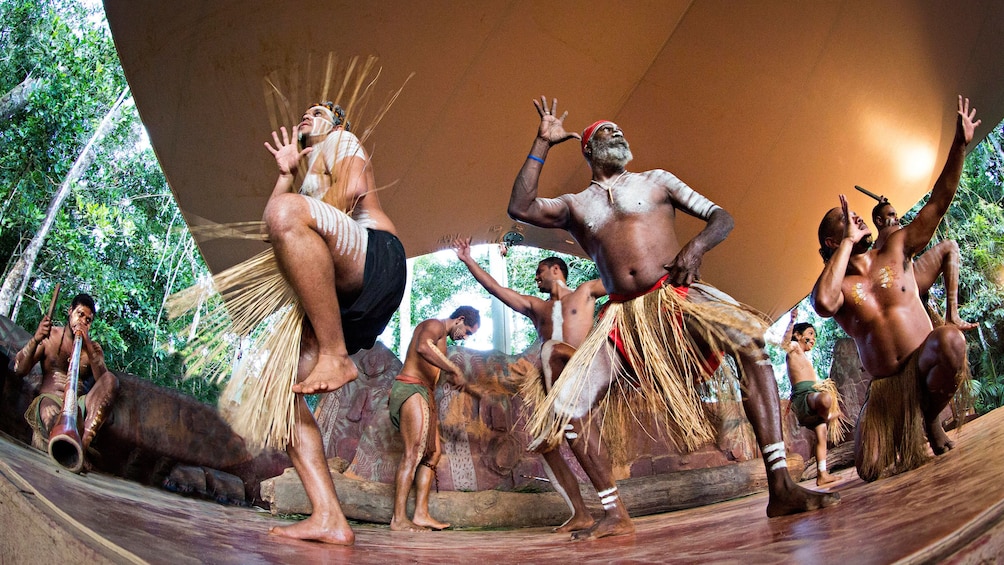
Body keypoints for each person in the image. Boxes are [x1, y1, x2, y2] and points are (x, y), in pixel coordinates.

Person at [507, 97, 837, 540]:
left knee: (749, 341)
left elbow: (722, 217)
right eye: (607, 131)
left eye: (620, 130)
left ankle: (780, 486)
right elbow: (521, 206)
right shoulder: (575, 205)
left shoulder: (658, 181)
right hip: (624, 317)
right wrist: (541, 143)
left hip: (677, 297)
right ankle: (613, 512)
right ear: (587, 148)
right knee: (567, 404)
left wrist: (696, 248)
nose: (619, 135)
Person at [811, 96, 978, 482]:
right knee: (868, 468)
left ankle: (929, 418)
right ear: (833, 243)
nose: (856, 216)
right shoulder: (837, 285)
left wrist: (959, 146)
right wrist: (849, 244)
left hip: (923, 361)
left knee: (951, 342)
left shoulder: (896, 247)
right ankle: (895, 416)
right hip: (887, 387)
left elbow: (938, 204)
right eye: (845, 219)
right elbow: (822, 302)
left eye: (855, 215)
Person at [263, 102, 407, 544]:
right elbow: (270, 227)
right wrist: (286, 174)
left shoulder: (342, 141)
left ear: (337, 122)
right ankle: (329, 517)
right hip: (344, 303)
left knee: (286, 213)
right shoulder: (304, 178)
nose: (308, 115)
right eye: (305, 111)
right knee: (280, 394)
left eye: (319, 110)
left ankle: (334, 354)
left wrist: (294, 204)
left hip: (375, 260)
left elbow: (349, 190)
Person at [454, 237, 605, 532]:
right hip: (553, 384)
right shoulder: (538, 308)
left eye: (540, 271)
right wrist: (469, 260)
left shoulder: (586, 292)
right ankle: (580, 512)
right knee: (547, 446)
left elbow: (622, 280)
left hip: (583, 374)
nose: (536, 277)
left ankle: (613, 508)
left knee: (584, 437)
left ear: (556, 270)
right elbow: (497, 290)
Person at [389, 306, 480, 532]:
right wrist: (453, 369)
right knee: (414, 452)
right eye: (467, 331)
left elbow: (435, 368)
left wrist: (461, 382)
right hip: (411, 388)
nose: (465, 337)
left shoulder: (444, 342)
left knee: (433, 452)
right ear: (459, 319)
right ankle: (398, 519)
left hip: (424, 393)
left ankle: (420, 514)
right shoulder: (434, 325)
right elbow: (422, 347)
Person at [13, 293, 119, 467]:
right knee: (52, 416)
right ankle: (66, 441)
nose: (83, 321)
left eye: (88, 319)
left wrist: (89, 348)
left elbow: (105, 383)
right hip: (51, 399)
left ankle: (81, 446)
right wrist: (36, 339)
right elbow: (19, 369)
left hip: (79, 405)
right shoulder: (51, 336)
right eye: (80, 314)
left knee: (112, 379)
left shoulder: (93, 350)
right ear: (70, 311)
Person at [870, 200, 975, 330]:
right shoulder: (882, 244)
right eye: (891, 215)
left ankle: (952, 316)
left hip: (911, 282)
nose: (896, 219)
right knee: (950, 246)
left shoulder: (889, 240)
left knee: (950, 246)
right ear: (879, 221)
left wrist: (883, 207)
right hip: (900, 287)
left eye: (896, 215)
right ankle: (951, 317)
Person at [782, 310, 844, 487]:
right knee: (825, 399)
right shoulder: (794, 349)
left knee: (822, 437)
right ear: (798, 335)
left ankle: (822, 474)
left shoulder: (805, 357)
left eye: (815, 336)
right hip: (804, 397)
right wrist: (792, 321)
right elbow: (784, 342)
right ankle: (828, 415)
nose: (813, 338)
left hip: (811, 395)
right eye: (810, 334)